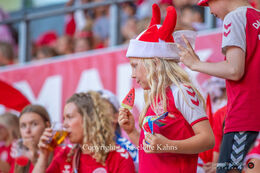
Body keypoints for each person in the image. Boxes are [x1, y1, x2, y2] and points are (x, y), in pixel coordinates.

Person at [118, 4, 215, 173]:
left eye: (135, 66)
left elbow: (208, 140)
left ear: (154, 63)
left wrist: (168, 145)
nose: (133, 75)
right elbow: (151, 152)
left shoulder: (182, 91)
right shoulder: (153, 97)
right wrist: (132, 131)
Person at [177, 0, 260, 172]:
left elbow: (234, 69)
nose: (209, 10)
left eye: (209, 3)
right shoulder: (256, 16)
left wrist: (195, 64)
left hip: (244, 119)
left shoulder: (234, 17)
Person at [33, 91, 135, 173]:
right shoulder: (66, 154)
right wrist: (43, 156)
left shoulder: (119, 157)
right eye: (64, 118)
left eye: (70, 117)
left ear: (89, 119)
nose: (65, 124)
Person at [98, 90, 139, 170]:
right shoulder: (83, 147)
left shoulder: (127, 148)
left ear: (116, 117)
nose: (96, 113)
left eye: (102, 108)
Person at [9, 104, 51, 173]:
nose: (27, 131)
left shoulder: (59, 153)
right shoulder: (20, 156)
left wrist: (34, 160)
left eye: (34, 124)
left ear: (47, 126)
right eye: (23, 126)